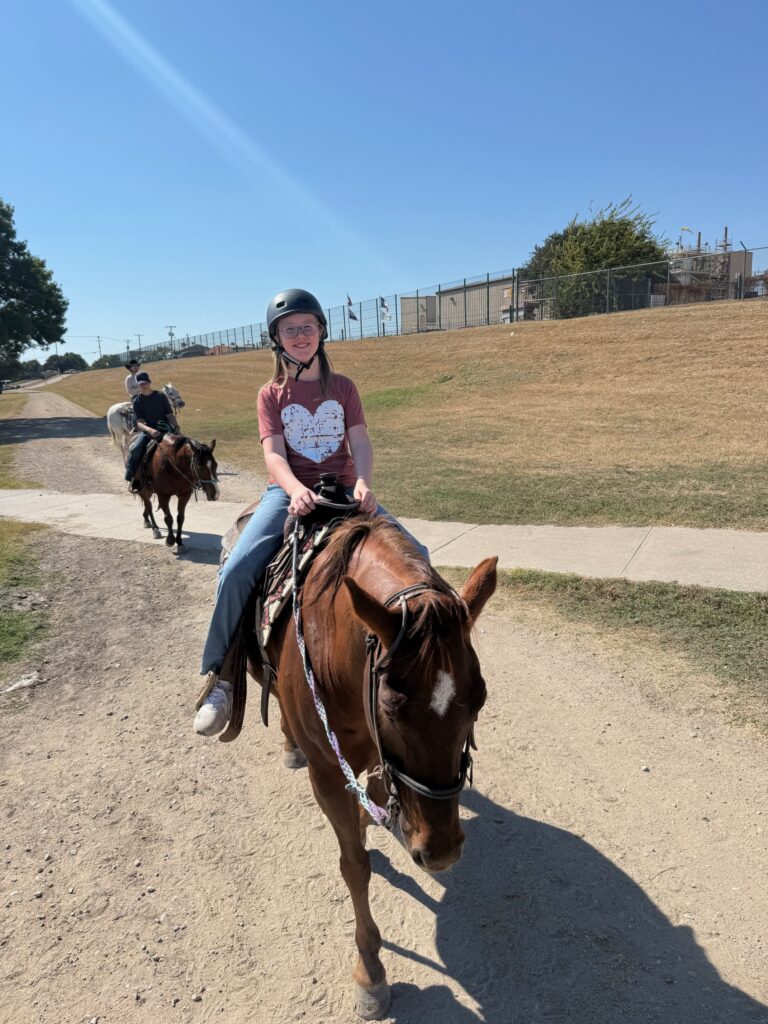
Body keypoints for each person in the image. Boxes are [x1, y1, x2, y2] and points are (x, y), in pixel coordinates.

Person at [194, 288, 429, 736]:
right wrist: (295, 489)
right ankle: (221, 676)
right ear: (276, 339)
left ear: (321, 331)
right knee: (238, 568)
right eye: (289, 329)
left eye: (307, 327)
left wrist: (363, 481)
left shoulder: (343, 388)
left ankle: (417, 663)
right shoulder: (271, 395)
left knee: (418, 554)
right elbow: (274, 455)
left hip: (344, 489)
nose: (300, 335)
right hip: (289, 493)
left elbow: (359, 440)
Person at [124, 371, 180, 491]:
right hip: (148, 431)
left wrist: (177, 428)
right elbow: (139, 422)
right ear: (138, 385)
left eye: (145, 383)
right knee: (136, 449)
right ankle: (132, 478)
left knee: (184, 446)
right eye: (141, 384)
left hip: (165, 428)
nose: (144, 386)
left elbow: (170, 415)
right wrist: (150, 430)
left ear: (150, 383)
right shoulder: (137, 401)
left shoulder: (160, 396)